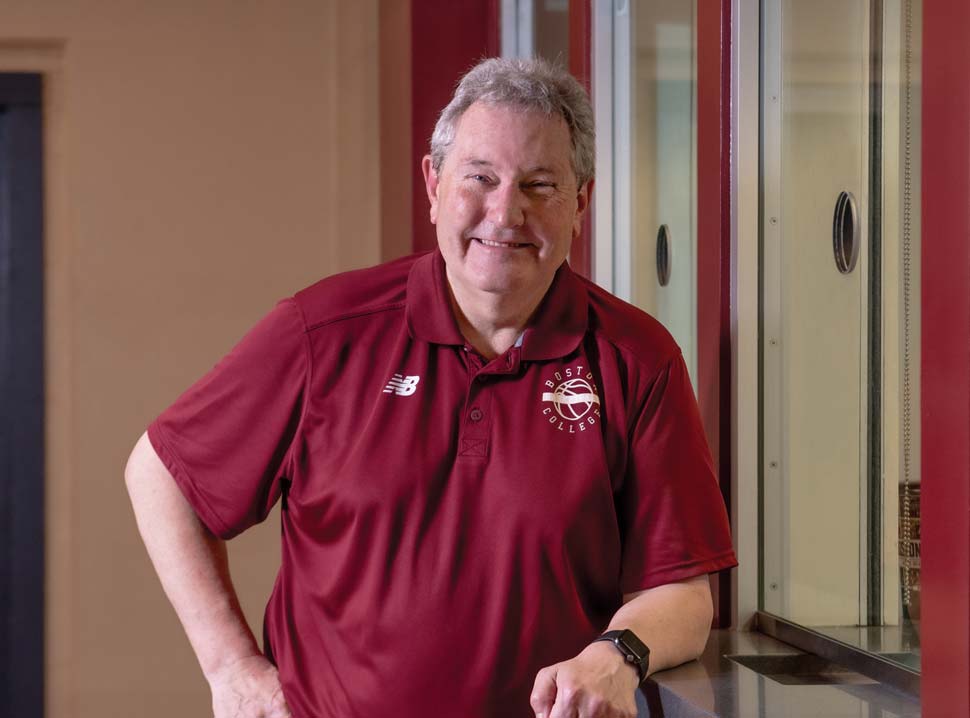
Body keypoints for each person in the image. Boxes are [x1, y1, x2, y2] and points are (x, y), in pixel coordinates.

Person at [125, 57, 736, 718]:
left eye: (539, 185)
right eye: (480, 178)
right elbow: (161, 475)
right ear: (434, 185)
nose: (506, 211)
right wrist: (231, 667)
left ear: (580, 204)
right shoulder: (323, 333)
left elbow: (683, 595)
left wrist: (615, 655)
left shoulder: (638, 359)